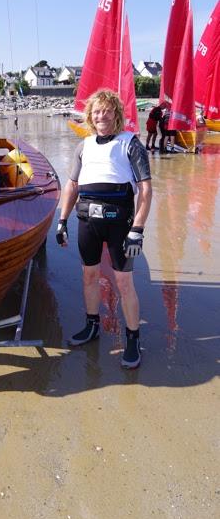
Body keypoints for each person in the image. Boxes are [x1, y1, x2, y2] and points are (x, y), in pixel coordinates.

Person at [56, 89, 152, 369]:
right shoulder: (83, 146)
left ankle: (133, 338)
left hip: (120, 223)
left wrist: (138, 229)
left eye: (107, 111)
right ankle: (92, 324)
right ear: (90, 116)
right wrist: (62, 221)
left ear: (117, 115)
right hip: (87, 221)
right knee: (89, 276)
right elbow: (72, 185)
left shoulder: (130, 143)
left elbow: (145, 190)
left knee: (124, 282)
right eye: (97, 111)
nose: (101, 116)